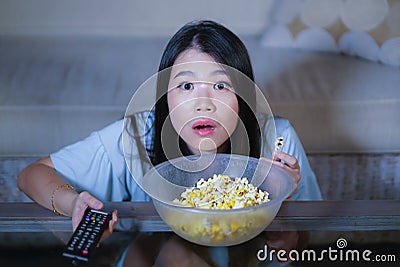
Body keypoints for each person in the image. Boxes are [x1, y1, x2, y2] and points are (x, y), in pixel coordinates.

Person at [18, 20, 322, 243]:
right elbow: (32, 174)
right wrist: (74, 204)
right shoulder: (136, 135)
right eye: (186, 86)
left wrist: (280, 197)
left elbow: (298, 246)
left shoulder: (277, 139)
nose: (203, 104)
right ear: (166, 95)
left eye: (220, 86)